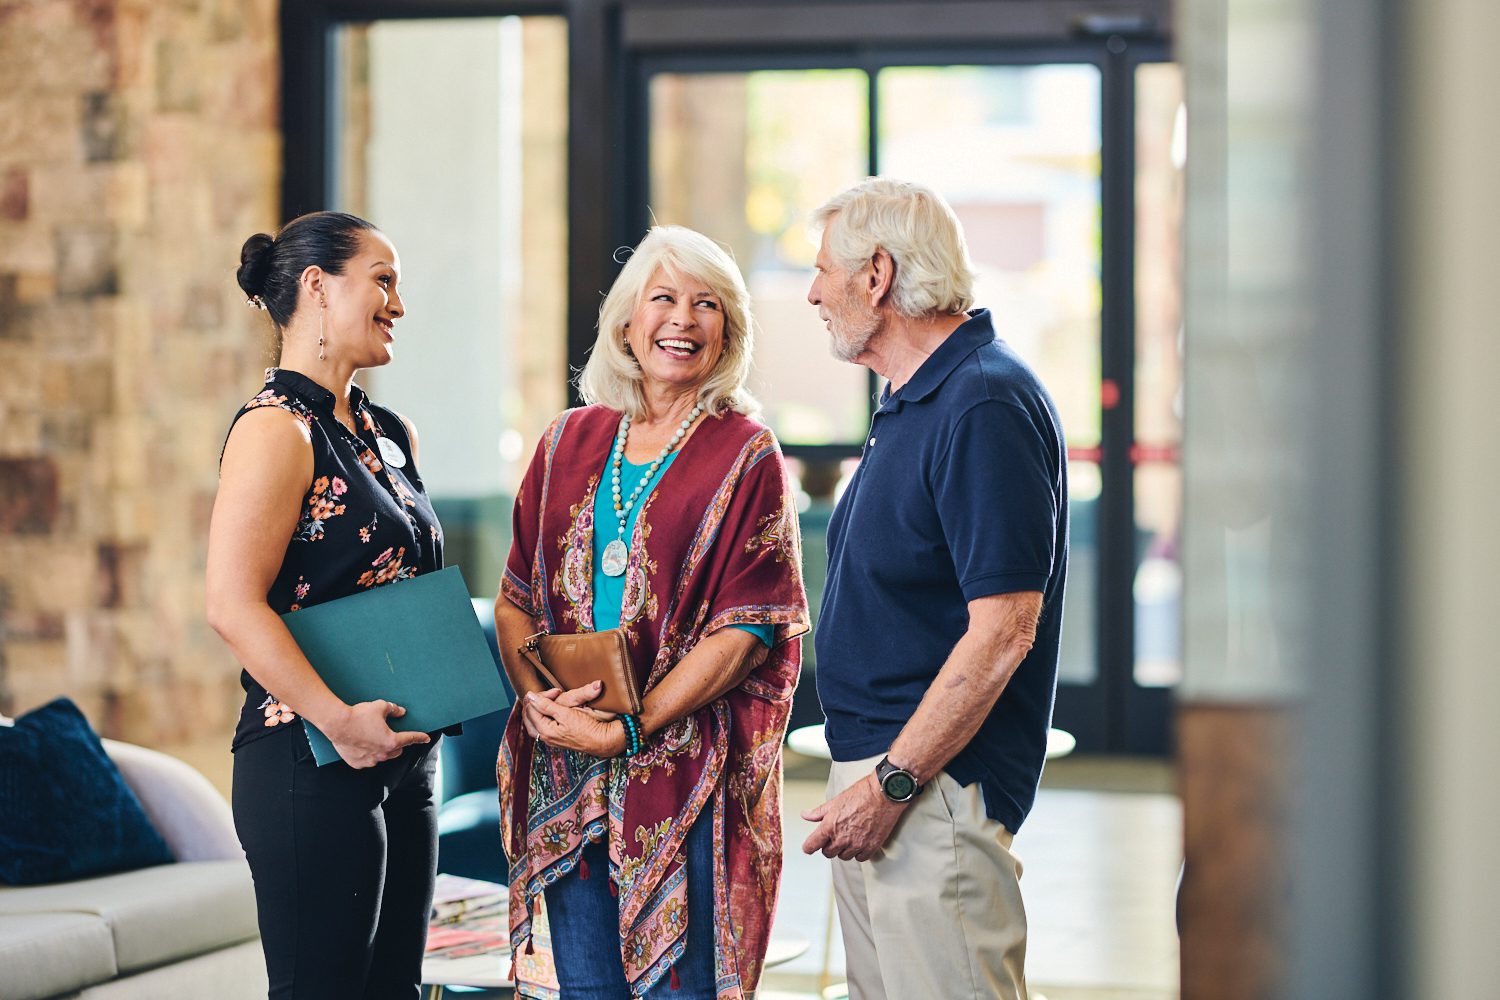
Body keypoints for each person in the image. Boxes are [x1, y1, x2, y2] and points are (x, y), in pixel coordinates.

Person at [494, 226, 809, 999]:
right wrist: (539, 700)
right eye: (664, 298)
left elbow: (747, 632)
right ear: (627, 321)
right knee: (589, 990)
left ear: (727, 331)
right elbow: (514, 600)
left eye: (707, 304)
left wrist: (631, 728)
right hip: (568, 772)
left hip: (683, 779)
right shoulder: (566, 438)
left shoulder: (747, 452)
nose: (684, 319)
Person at [800, 178, 1069, 1000]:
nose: (812, 292)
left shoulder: (982, 400)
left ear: (876, 275)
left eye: (823, 271)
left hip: (928, 791)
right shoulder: (914, 399)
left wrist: (892, 783)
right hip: (888, 782)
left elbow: (1003, 631)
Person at [206, 211, 443, 999]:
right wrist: (337, 721)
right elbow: (232, 606)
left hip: (404, 757)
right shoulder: (276, 431)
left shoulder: (388, 430)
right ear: (316, 286)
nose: (399, 305)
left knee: (395, 991)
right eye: (383, 279)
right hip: (309, 757)